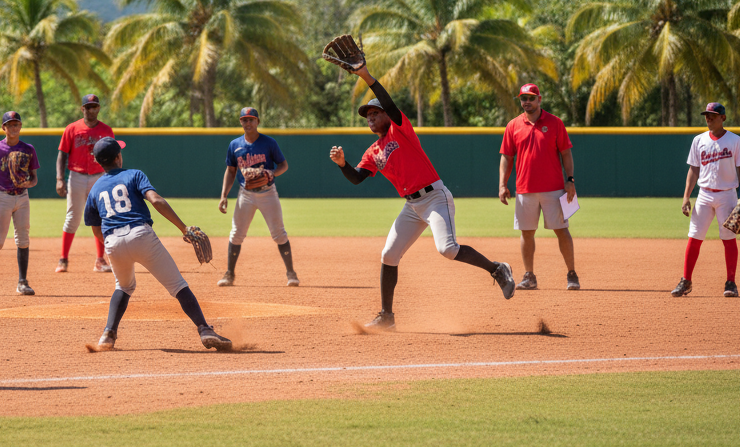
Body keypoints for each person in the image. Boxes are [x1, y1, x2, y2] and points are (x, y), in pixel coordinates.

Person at [328, 62, 515, 329]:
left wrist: (365, 75)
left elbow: (389, 104)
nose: (369, 117)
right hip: (412, 206)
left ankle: (497, 269)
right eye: (366, 115)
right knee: (389, 255)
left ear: (385, 115)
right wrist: (342, 164)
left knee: (447, 249)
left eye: (374, 112)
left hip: (435, 197)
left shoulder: (399, 129)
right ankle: (387, 317)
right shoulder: (373, 151)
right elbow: (357, 178)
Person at [85, 137, 232, 352]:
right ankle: (204, 329)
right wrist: (184, 228)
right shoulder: (134, 174)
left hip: (112, 241)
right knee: (177, 285)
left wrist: (111, 245)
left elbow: (95, 227)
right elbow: (156, 201)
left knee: (124, 286)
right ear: (118, 157)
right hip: (140, 234)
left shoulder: (95, 188)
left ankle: (108, 334)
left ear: (99, 162)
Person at [498, 83, 579, 291]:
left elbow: (566, 153)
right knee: (526, 233)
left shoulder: (554, 123)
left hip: (554, 189)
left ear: (539, 99)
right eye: (523, 98)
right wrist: (502, 185)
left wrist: (570, 180)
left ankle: (571, 273)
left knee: (562, 230)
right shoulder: (513, 125)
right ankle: (529, 276)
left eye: (531, 98)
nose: (527, 102)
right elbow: (506, 157)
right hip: (525, 189)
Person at [673, 102, 740, 298]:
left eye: (713, 115)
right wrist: (686, 197)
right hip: (704, 195)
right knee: (694, 237)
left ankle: (731, 283)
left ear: (722, 118)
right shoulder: (698, 140)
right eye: (706, 115)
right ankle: (686, 281)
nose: (708, 118)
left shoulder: (735, 141)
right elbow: (693, 170)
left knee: (729, 239)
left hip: (727, 195)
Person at [216, 107, 299, 287]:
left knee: (279, 234)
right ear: (240, 122)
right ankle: (229, 274)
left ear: (258, 122)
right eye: (244, 120)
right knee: (236, 233)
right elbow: (231, 171)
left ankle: (291, 273)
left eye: (251, 119)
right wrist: (224, 195)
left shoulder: (269, 143)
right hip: (245, 194)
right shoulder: (234, 145)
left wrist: (272, 173)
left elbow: (283, 165)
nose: (248, 123)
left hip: (268, 193)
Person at [0, 110, 39, 297]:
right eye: (10, 124)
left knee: (23, 238)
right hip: (2, 196)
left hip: (22, 197)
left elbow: (34, 178)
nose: (14, 127)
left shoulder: (28, 149)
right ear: (3, 127)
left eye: (17, 124)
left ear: (20, 126)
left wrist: (30, 183)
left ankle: (22, 282)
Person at [54, 94, 113, 273]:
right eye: (88, 107)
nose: (91, 110)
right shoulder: (72, 129)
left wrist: (112, 177)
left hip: (99, 176)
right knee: (73, 217)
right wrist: (59, 179)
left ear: (99, 108)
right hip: (77, 176)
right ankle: (63, 259)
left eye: (94, 106)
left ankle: (100, 260)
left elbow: (113, 155)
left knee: (102, 216)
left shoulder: (106, 130)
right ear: (83, 109)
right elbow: (62, 155)